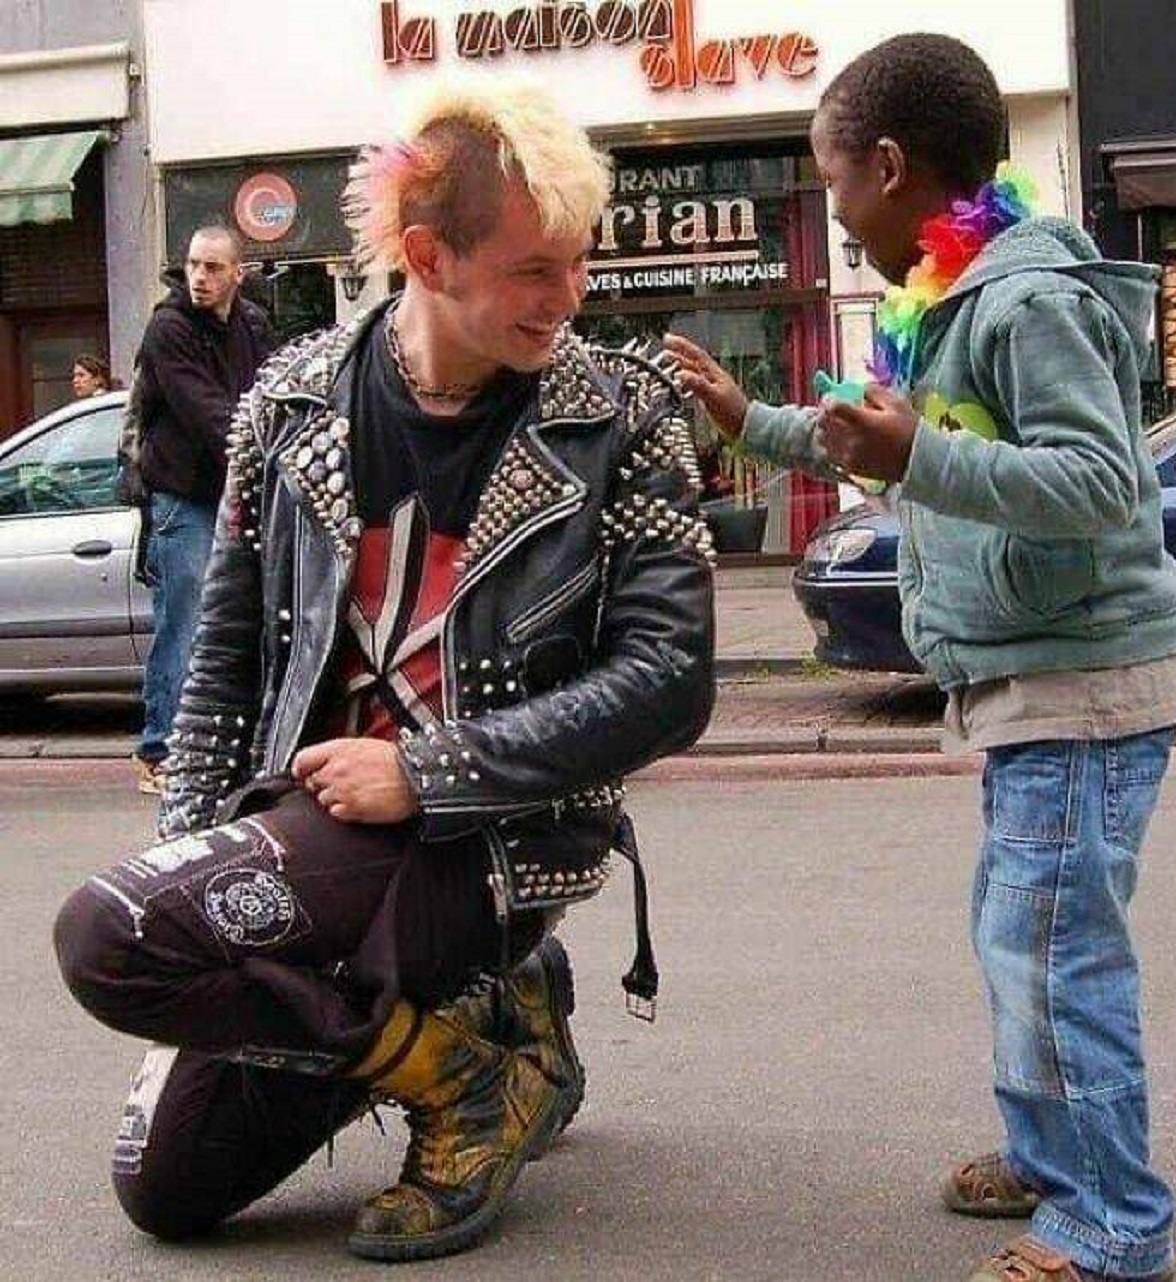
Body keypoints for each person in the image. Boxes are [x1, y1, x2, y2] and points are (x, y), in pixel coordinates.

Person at [54, 81, 715, 1264]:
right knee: (166, 1184)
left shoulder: (623, 412)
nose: (571, 299)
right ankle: (468, 1042)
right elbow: (222, 669)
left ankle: (476, 1066)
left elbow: (672, 678)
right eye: (534, 269)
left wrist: (429, 768)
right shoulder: (289, 402)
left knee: (103, 936)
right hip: (308, 837)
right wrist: (195, 886)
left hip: (496, 841)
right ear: (426, 253)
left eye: (579, 262)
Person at [666, 33, 1176, 1282]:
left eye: (835, 181)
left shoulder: (1026, 301)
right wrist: (757, 422)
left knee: (1055, 948)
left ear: (892, 167)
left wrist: (917, 460)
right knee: (1022, 929)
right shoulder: (952, 297)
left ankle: (1113, 1223)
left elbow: (1101, 482)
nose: (836, 214)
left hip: (1082, 679)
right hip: (1033, 673)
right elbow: (878, 435)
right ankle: (1050, 1150)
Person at [132, 227, 275, 794]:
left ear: (238, 273)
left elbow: (271, 392)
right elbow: (206, 411)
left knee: (247, 620)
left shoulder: (253, 326)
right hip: (183, 498)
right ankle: (161, 749)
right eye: (193, 265)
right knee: (186, 620)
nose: (200, 277)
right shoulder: (169, 328)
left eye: (214, 267)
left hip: (233, 492)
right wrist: (264, 449)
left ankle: (233, 747)